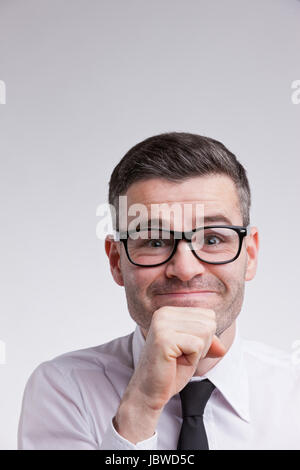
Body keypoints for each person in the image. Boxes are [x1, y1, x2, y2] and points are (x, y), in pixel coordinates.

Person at [17, 132, 300, 450]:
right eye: (154, 241)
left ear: (249, 255)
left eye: (212, 239)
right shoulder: (64, 389)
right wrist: (140, 407)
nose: (185, 268)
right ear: (115, 261)